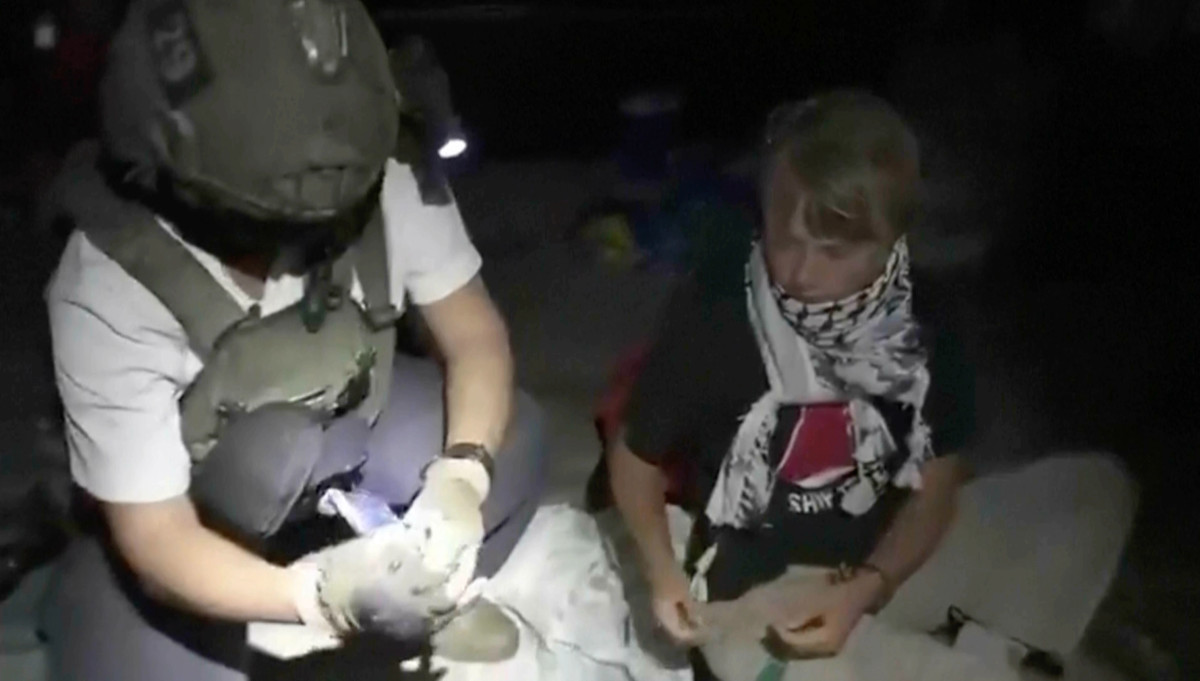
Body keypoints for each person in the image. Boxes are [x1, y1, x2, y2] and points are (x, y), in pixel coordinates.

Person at [39, 1, 545, 679]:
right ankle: (269, 591)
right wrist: (318, 596)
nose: (302, 241)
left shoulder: (378, 163)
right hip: (194, 498)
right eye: (264, 221)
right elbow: (157, 537)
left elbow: (475, 334)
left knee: (516, 439)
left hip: (343, 432)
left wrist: (461, 475)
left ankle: (416, 599)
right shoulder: (109, 277)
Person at [605, 90, 971, 676]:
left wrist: (872, 585)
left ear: (892, 242)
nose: (802, 272)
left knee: (1093, 495)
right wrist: (661, 570)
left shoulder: (925, 320)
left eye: (834, 251)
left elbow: (938, 483)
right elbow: (634, 455)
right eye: (786, 240)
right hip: (757, 583)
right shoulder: (718, 310)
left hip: (878, 560)